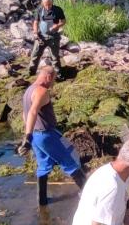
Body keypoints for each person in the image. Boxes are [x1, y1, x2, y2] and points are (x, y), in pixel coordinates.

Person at [18, 65, 86, 205]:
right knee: (70, 161)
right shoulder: (42, 91)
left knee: (43, 166)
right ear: (48, 76)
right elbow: (32, 112)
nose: (53, 83)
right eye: (54, 79)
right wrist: (28, 136)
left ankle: (42, 201)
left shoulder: (28, 91)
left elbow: (25, 114)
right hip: (46, 135)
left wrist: (29, 134)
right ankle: (90, 197)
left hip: (37, 137)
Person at [28, 0, 65, 76]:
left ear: (52, 3)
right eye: (46, 5)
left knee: (55, 57)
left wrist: (58, 25)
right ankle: (31, 72)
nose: (48, 7)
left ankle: (58, 74)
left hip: (54, 37)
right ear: (42, 3)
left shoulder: (58, 10)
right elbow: (36, 22)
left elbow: (63, 21)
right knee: (35, 55)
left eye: (50, 4)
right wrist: (35, 32)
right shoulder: (39, 10)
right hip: (41, 37)